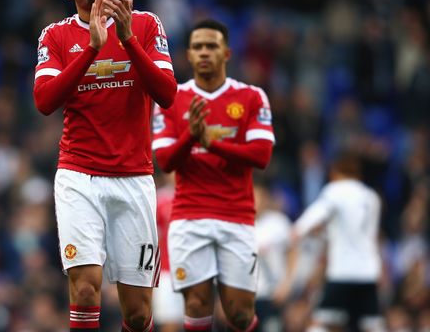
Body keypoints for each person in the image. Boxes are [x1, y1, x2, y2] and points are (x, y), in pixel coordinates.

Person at [33, 0, 178, 332]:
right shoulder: (56, 36)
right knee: (84, 289)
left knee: (136, 312)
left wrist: (128, 39)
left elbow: (166, 93)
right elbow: (45, 101)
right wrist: (91, 49)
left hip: (133, 176)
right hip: (79, 175)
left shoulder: (146, 24)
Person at [152, 18, 275, 331]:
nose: (204, 52)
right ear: (189, 55)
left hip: (237, 216)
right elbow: (165, 160)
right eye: (197, 47)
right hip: (189, 216)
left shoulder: (251, 97)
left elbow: (261, 156)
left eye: (211, 46)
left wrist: (210, 143)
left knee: (239, 313)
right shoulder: (171, 99)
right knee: (196, 303)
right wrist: (191, 137)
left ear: (227, 53)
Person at [278, 152, 384, 332]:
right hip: (368, 271)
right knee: (371, 324)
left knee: (321, 322)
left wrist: (298, 229)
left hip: (343, 271)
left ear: (335, 172)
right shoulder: (372, 197)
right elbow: (366, 236)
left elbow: (318, 212)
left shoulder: (336, 190)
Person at [253, 182, 291, 332]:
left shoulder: (279, 223)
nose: (255, 201)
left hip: (273, 295)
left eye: (259, 196)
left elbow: (294, 252)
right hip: (245, 296)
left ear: (266, 198)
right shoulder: (238, 224)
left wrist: (287, 283)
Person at [151, 171, 184, 332]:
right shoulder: (159, 200)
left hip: (194, 271)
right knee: (169, 324)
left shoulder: (196, 199)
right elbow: (149, 239)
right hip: (166, 272)